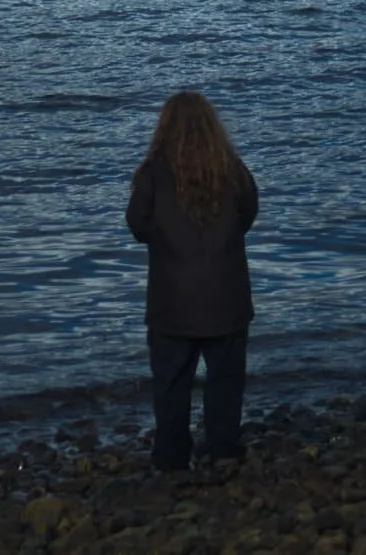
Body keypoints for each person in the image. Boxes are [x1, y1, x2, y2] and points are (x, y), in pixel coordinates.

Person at [126, 90, 259, 470]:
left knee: (170, 384)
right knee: (226, 380)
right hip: (227, 296)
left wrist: (166, 241)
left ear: (164, 127)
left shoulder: (152, 173)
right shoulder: (231, 168)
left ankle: (171, 456)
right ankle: (223, 448)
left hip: (172, 300)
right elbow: (248, 214)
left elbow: (138, 225)